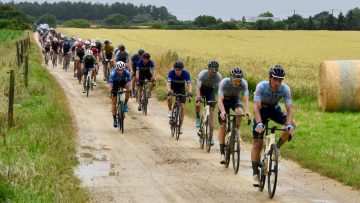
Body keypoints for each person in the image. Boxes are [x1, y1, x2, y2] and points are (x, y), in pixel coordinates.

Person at [251, 65, 296, 187]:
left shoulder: (285, 89)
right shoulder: (261, 86)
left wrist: (288, 124)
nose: (277, 83)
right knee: (258, 142)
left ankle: (276, 148)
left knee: (292, 123)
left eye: (280, 80)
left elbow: (290, 109)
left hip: (274, 109)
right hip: (262, 110)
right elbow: (256, 106)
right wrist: (259, 122)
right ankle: (255, 174)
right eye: (275, 79)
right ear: (270, 78)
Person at [217, 67, 250, 164]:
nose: (237, 83)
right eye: (235, 80)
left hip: (234, 99)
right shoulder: (224, 82)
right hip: (224, 101)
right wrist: (223, 112)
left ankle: (236, 131)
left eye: (239, 80)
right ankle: (222, 153)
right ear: (231, 79)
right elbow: (219, 99)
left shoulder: (244, 83)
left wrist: (247, 111)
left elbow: (246, 98)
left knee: (239, 112)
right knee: (223, 126)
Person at [194, 60, 222, 145]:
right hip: (201, 89)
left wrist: (220, 99)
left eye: (216, 69)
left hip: (210, 90)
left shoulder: (219, 77)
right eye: (212, 69)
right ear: (208, 68)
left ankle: (210, 137)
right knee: (198, 104)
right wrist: (198, 98)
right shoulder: (203, 74)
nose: (214, 71)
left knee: (211, 111)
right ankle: (198, 117)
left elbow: (221, 90)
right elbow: (198, 87)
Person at [167, 61, 192, 134]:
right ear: (174, 69)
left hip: (181, 89)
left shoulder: (186, 73)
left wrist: (190, 93)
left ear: (182, 69)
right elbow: (168, 84)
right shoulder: (171, 73)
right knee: (169, 98)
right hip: (173, 88)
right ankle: (170, 110)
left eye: (179, 70)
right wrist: (169, 91)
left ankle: (180, 126)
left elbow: (189, 84)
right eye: (176, 69)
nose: (178, 71)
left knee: (182, 107)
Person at [109, 61, 131, 128]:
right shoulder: (113, 73)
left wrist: (130, 90)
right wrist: (111, 92)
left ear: (124, 69)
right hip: (115, 84)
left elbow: (129, 82)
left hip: (122, 82)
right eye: (119, 70)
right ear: (116, 69)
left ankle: (125, 104)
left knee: (128, 88)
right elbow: (110, 84)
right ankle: (115, 120)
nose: (120, 71)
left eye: (122, 70)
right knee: (114, 102)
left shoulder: (126, 72)